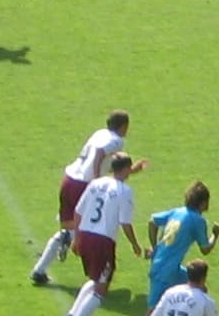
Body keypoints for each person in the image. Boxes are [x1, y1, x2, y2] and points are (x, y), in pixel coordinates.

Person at [110, 180, 219, 316]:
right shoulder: (198, 220)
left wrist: (154, 247)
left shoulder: (177, 212)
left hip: (166, 267)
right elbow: (205, 249)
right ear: (203, 203)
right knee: (152, 315)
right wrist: (215, 235)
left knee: (200, 288)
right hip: (166, 272)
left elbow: (153, 221)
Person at [30, 112, 147, 285]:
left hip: (69, 179)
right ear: (123, 126)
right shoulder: (117, 141)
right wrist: (95, 178)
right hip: (83, 185)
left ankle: (40, 269)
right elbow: (100, 154)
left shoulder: (99, 133)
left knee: (68, 226)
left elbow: (104, 162)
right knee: (80, 227)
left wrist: (130, 170)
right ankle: (73, 249)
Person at [60, 153, 146, 316]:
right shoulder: (125, 191)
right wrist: (134, 244)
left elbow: (78, 211)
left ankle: (73, 313)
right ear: (125, 169)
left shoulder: (96, 183)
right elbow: (125, 222)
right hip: (102, 242)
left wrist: (78, 237)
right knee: (101, 287)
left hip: (85, 234)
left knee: (93, 278)